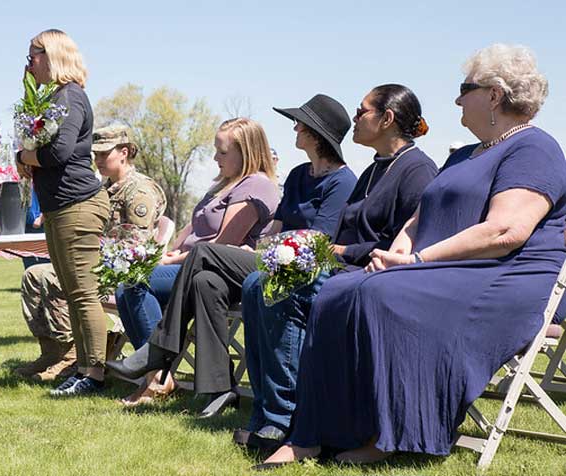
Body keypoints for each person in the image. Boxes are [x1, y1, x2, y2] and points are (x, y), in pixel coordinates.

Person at [257, 44, 564, 469]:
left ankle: (391, 434)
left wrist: (418, 262)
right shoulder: (462, 154)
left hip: (499, 278)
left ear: (495, 95)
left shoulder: (534, 149)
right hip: (443, 270)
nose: (456, 99)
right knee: (341, 289)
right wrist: (398, 251)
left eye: (465, 88)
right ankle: (313, 434)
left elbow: (505, 231)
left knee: (380, 297)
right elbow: (419, 218)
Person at [236, 85, 437, 454]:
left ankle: (285, 418)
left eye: (362, 112)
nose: (355, 118)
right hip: (342, 267)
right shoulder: (374, 170)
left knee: (285, 289)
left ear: (387, 119)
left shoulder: (417, 170)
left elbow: (402, 242)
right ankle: (264, 412)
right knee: (254, 283)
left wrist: (342, 249)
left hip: (375, 276)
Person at [108, 117, 282, 406]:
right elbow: (192, 230)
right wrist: (165, 255)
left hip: (222, 272)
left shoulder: (256, 186)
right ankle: (156, 375)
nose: (215, 158)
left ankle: (156, 372)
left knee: (137, 282)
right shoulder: (222, 185)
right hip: (191, 267)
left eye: (222, 152)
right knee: (126, 286)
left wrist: (173, 261)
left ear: (247, 152)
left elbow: (224, 244)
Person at [15, 125, 166, 382]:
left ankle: (77, 357)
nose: (96, 160)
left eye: (103, 154)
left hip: (119, 271)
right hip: (97, 264)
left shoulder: (139, 191)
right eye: (94, 154)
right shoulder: (101, 189)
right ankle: (56, 351)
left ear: (124, 152)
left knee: (55, 280)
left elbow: (134, 248)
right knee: (34, 274)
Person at [15, 29, 110, 397]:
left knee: (84, 293)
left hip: (78, 207)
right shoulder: (55, 97)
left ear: (52, 54)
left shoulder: (70, 96)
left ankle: (95, 374)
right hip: (60, 207)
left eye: (33, 55)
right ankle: (84, 368)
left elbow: (58, 153)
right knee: (72, 292)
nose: (28, 63)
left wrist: (24, 157)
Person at [21, 186, 49, 269]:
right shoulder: (22, 182)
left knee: (46, 262)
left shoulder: (42, 178)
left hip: (42, 226)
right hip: (25, 227)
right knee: (29, 263)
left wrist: (41, 218)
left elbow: (54, 199)